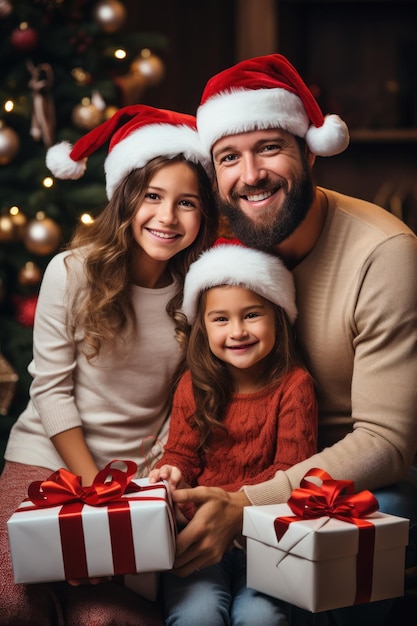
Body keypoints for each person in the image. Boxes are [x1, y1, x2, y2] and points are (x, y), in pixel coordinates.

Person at [168, 54, 417, 625]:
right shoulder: (223, 248)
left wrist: (246, 505)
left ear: (309, 151)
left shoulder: (383, 253)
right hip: (242, 473)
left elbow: (388, 440)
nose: (250, 174)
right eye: (229, 157)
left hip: (361, 477)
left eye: (270, 148)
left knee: (268, 607)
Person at [0, 104, 218, 626]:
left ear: (203, 215)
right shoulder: (70, 272)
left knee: (105, 620)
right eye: (152, 196)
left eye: (186, 203)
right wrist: (92, 501)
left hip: (135, 481)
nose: (167, 217)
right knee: (15, 604)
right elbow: (50, 392)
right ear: (126, 199)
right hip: (48, 461)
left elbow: (183, 401)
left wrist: (138, 493)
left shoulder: (200, 291)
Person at [149, 240, 318, 626]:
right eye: (221, 319)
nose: (238, 331)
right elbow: (184, 454)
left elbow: (291, 471)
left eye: (252, 315)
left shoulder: (295, 386)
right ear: (203, 327)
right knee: (197, 614)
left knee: (260, 616)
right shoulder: (195, 384)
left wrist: (228, 503)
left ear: (277, 316)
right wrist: (172, 470)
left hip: (268, 538)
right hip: (200, 535)